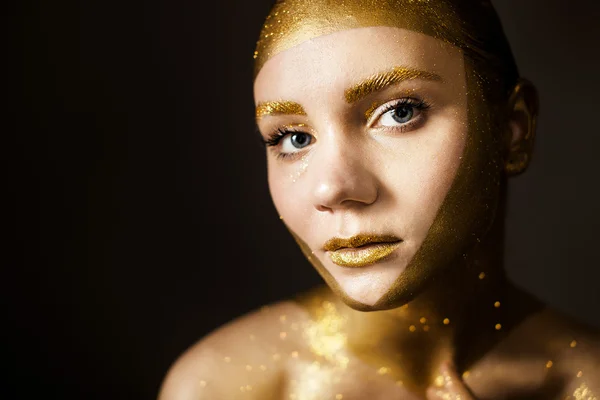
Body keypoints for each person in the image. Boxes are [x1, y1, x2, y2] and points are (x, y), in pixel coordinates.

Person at [158, 0, 600, 398]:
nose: (331, 189)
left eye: (400, 112)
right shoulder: (223, 386)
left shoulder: (584, 381)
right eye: (293, 138)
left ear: (513, 129)